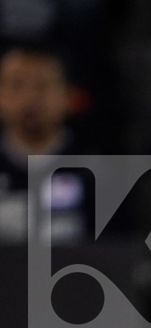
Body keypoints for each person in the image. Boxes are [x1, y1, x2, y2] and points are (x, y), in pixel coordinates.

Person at [0, 40, 90, 242]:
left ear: (69, 96)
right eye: (16, 85)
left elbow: (118, 253)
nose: (30, 97)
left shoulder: (96, 172)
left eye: (43, 85)